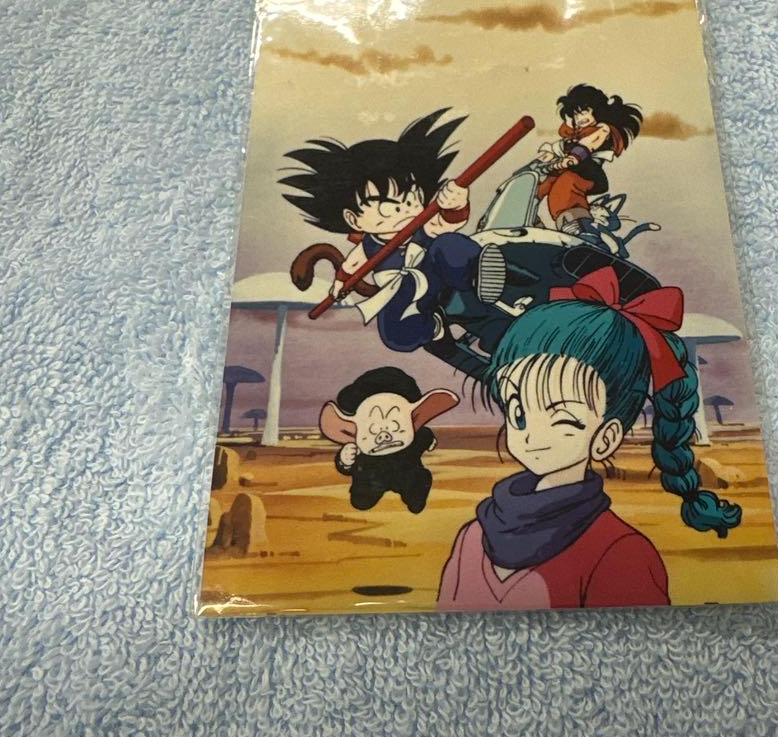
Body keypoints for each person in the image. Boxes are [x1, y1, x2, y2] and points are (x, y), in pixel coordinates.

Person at [437, 267, 741, 611]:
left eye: (562, 419)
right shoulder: (473, 536)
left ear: (605, 438)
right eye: (518, 411)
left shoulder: (621, 552)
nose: (531, 434)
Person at [280, 109, 506, 352]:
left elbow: (451, 221)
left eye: (412, 198)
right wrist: (340, 285)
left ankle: (477, 272)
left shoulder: (423, 225)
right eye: (388, 206)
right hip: (404, 292)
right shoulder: (369, 246)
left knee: (448, 243)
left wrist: (456, 203)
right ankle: (433, 328)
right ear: (353, 219)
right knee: (392, 331)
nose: (405, 209)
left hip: (437, 275)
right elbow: (351, 267)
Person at [536, 83, 642, 236]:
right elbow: (560, 147)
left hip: (588, 171)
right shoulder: (574, 136)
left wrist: (574, 156)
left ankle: (578, 223)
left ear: (597, 110)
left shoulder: (602, 129)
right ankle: (528, 217)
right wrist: (548, 154)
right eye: (575, 115)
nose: (580, 118)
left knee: (566, 185)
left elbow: (589, 143)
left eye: (584, 112)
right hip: (568, 167)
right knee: (540, 185)